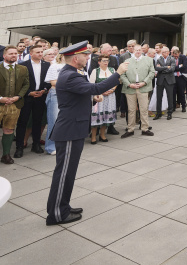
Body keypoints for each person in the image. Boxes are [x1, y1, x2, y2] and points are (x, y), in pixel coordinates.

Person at [45, 41, 127, 225]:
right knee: (64, 173)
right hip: (69, 130)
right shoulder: (70, 75)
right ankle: (57, 213)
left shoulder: (72, 74)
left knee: (69, 172)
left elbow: (78, 98)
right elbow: (97, 88)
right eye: (85, 55)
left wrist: (91, 100)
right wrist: (118, 72)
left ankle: (63, 206)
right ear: (76, 58)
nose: (88, 58)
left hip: (74, 128)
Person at [15, 44, 50, 157]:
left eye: (41, 52)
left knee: (37, 121)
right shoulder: (22, 65)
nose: (40, 54)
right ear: (31, 54)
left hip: (40, 97)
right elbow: (19, 83)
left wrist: (44, 90)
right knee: (22, 122)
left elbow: (48, 80)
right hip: (27, 97)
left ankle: (36, 144)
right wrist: (29, 92)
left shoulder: (47, 65)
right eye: (38, 52)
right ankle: (19, 147)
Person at [120, 45, 155, 137]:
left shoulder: (149, 60)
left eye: (140, 50)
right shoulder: (127, 61)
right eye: (136, 50)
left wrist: (144, 82)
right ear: (132, 51)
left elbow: (152, 73)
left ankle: (145, 129)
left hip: (143, 87)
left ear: (142, 51)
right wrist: (129, 84)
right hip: (130, 88)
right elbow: (122, 75)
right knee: (131, 110)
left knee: (143, 109)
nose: (138, 51)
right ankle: (130, 129)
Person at [89, 56, 117, 144]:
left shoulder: (112, 70)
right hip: (99, 96)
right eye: (104, 61)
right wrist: (100, 91)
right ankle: (93, 136)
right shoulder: (95, 71)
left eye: (107, 61)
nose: (106, 62)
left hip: (110, 96)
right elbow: (91, 84)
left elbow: (116, 81)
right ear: (99, 62)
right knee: (96, 115)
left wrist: (112, 90)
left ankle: (102, 135)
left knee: (106, 115)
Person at [44, 50, 65, 155]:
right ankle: (50, 147)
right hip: (56, 95)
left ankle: (61, 145)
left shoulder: (73, 67)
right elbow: (53, 82)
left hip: (68, 96)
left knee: (64, 122)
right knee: (54, 122)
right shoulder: (55, 66)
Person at [155, 46, 177, 119]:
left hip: (169, 81)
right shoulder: (159, 59)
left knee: (170, 97)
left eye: (165, 52)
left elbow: (172, 69)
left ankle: (170, 113)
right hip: (160, 80)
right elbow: (157, 68)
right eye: (162, 52)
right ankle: (158, 113)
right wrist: (166, 67)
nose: (164, 53)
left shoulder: (172, 59)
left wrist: (162, 68)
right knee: (159, 97)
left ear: (168, 52)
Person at [173, 47, 187, 113]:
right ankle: (173, 107)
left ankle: (183, 106)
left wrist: (175, 68)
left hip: (181, 77)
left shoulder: (183, 57)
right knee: (173, 93)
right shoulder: (171, 58)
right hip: (174, 77)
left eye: (177, 55)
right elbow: (171, 68)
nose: (176, 57)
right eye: (175, 56)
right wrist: (179, 66)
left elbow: (184, 66)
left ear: (179, 53)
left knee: (181, 93)